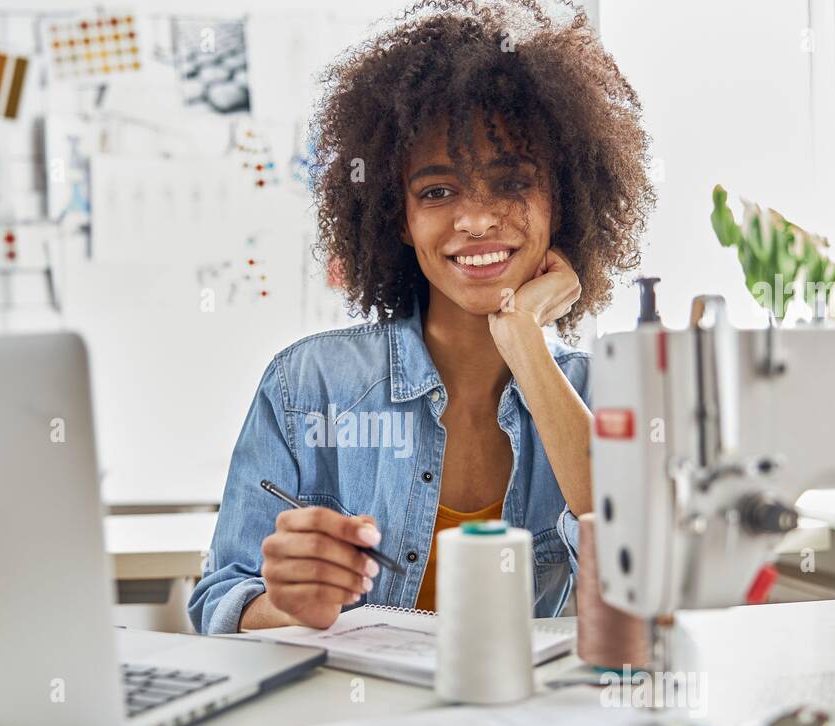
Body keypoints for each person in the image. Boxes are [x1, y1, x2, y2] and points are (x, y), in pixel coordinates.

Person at [189, 0, 653, 633]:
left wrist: (525, 341)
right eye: (437, 192)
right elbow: (220, 599)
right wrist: (287, 605)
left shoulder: (596, 392)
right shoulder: (309, 386)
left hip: (514, 723)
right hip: (356, 724)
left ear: (562, 201)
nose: (475, 220)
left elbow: (639, 575)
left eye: (512, 182)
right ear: (398, 220)